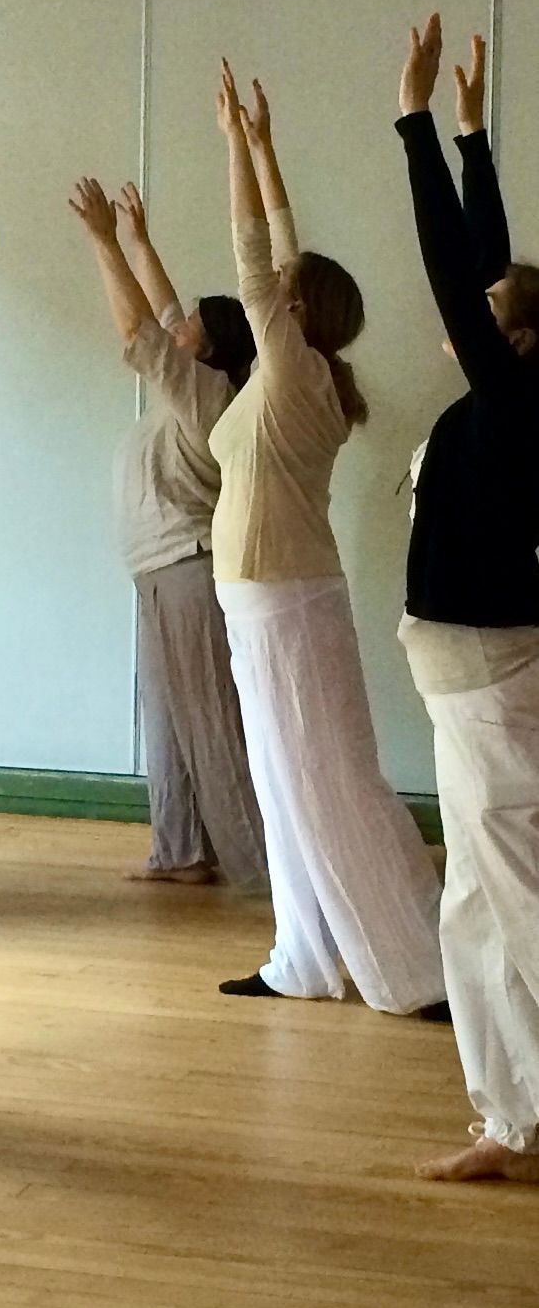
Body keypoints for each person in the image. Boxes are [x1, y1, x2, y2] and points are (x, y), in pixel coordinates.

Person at [208, 61, 444, 1014]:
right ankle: (302, 956)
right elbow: (282, 258)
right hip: (264, 595)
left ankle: (415, 965)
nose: (271, 297)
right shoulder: (299, 376)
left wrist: (241, 149)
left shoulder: (295, 372)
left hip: (281, 598)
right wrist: (263, 147)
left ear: (296, 313)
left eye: (283, 297)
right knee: (286, 784)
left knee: (326, 780)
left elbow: (256, 255)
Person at [393, 16, 539, 1182]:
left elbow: (456, 270)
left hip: (491, 677)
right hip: (464, 678)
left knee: (520, 902)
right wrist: (473, 134)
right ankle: (505, 1117)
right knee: (473, 906)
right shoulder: (503, 399)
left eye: (495, 318)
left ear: (522, 341)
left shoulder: (519, 404)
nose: (466, 321)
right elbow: (481, 264)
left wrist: (415, 126)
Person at [66, 176, 265, 887]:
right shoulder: (201, 381)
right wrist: (141, 241)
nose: (174, 324)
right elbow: (166, 313)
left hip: (189, 564)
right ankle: (180, 849)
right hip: (158, 568)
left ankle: (264, 870)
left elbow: (139, 331)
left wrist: (103, 242)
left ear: (205, 348)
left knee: (211, 721)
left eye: (188, 328)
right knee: (171, 722)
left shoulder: (209, 393)